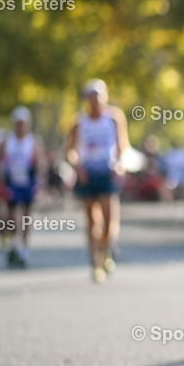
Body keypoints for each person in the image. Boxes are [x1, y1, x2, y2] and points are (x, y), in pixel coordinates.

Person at [66, 79, 130, 282]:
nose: (95, 101)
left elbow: (122, 145)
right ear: (86, 99)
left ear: (105, 97)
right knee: (92, 220)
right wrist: (78, 168)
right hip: (87, 174)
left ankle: (105, 249)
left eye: (98, 96)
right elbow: (70, 151)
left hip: (107, 173)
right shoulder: (79, 122)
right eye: (91, 97)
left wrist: (119, 165)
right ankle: (95, 261)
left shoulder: (114, 118)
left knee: (109, 219)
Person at [0, 107, 44, 267]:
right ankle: (12, 243)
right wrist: (2, 181)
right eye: (18, 123)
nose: (20, 127)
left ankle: (23, 248)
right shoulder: (7, 141)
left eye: (23, 124)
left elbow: (40, 163)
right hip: (12, 183)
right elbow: (0, 161)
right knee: (12, 217)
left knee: (26, 217)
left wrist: (40, 184)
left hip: (27, 183)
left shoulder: (33, 142)